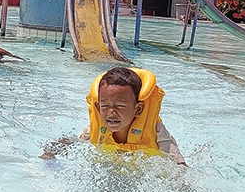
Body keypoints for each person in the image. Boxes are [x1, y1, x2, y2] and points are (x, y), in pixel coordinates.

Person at [42, 67, 186, 166]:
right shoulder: (95, 129)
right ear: (98, 107)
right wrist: (49, 154)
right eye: (105, 106)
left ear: (138, 109)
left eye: (120, 106)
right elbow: (71, 142)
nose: (111, 112)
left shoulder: (156, 131)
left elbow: (179, 163)